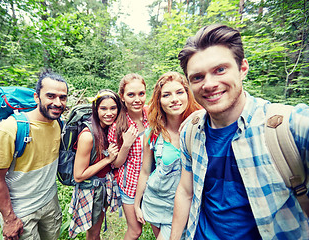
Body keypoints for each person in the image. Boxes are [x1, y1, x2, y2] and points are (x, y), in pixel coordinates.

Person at [170, 24, 309, 240]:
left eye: (220, 70)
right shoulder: (191, 130)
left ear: (243, 68)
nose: (209, 84)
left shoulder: (288, 127)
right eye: (197, 77)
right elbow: (186, 191)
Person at [0, 69, 68, 240]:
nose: (57, 102)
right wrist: (9, 219)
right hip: (21, 212)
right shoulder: (10, 129)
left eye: (62, 97)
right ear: (37, 97)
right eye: (50, 96)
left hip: (50, 203)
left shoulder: (58, 124)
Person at [134, 72, 201, 240]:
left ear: (188, 94)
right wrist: (137, 204)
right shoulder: (152, 134)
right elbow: (145, 171)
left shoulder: (201, 127)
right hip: (155, 200)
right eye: (166, 95)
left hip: (185, 205)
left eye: (179, 92)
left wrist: (198, 115)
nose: (174, 99)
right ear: (159, 100)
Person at [68, 89, 122, 239]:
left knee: (95, 231)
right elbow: (78, 176)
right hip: (91, 190)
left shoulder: (108, 129)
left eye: (113, 108)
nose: (109, 113)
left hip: (101, 187)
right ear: (96, 109)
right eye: (103, 108)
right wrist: (108, 159)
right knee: (93, 233)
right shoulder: (87, 136)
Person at [108, 73, 149, 239]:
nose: (137, 99)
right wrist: (126, 144)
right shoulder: (118, 125)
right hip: (130, 185)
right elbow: (115, 164)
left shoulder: (151, 117)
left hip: (152, 182)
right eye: (131, 95)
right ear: (122, 97)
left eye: (141, 93)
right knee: (135, 231)